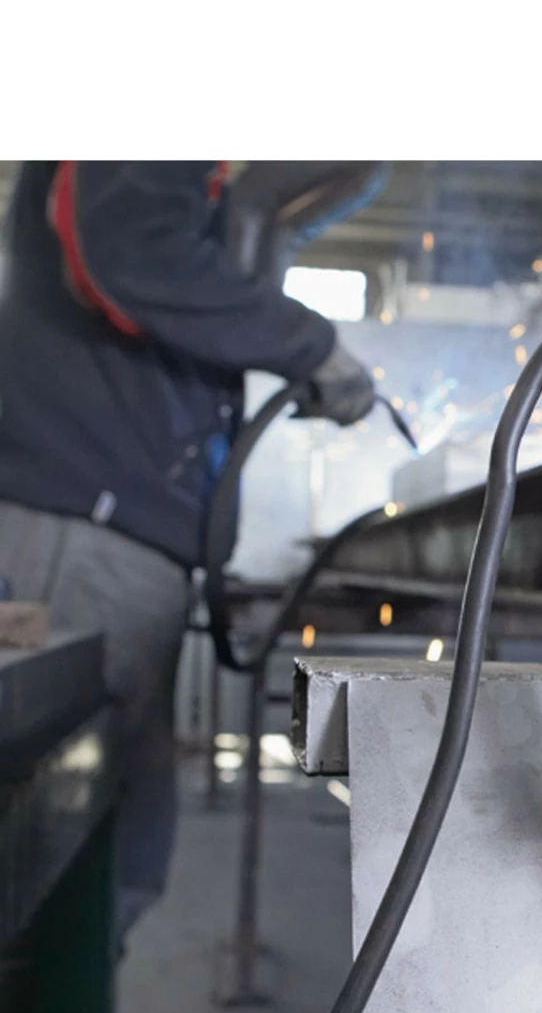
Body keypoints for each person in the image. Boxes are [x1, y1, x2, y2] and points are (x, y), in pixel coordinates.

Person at [0, 161, 377, 940]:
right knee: (43, 856)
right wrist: (310, 346)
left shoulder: (199, 187)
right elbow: (129, 250)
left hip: (116, 539)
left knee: (117, 854)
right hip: (79, 530)